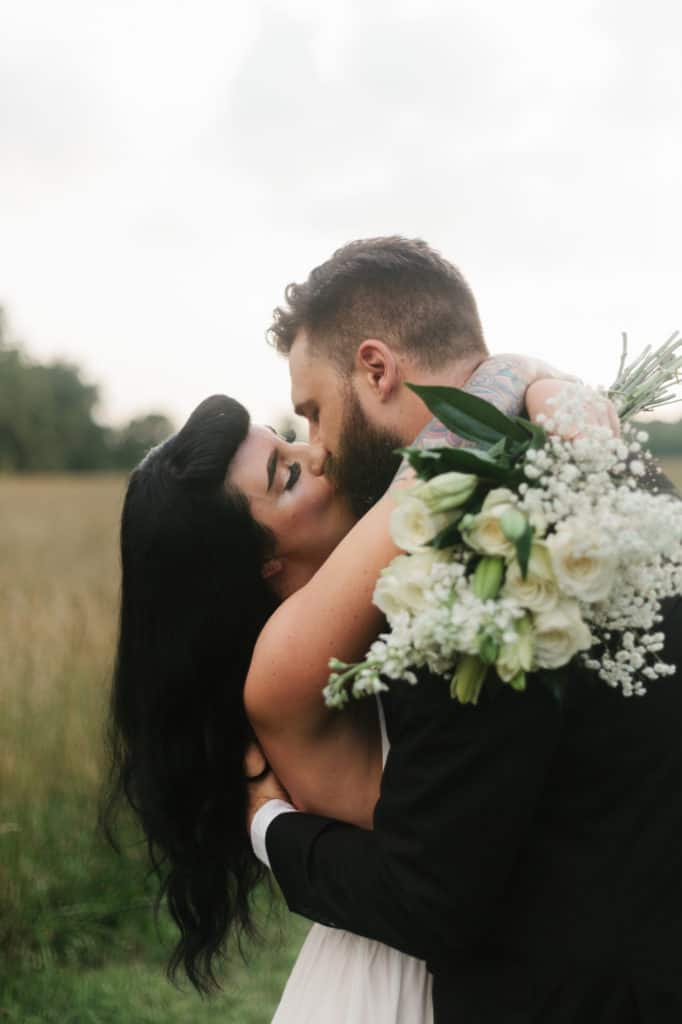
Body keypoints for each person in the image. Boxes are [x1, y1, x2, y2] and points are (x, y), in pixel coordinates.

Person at [246, 237, 682, 1023]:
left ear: (376, 369)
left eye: (313, 411)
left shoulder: (456, 560)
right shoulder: (624, 471)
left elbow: (429, 895)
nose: (319, 448)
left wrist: (267, 828)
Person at [104, 349, 561, 1016]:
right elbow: (432, 474)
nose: (314, 456)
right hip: (398, 984)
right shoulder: (288, 656)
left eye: (291, 439)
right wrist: (524, 372)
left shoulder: (360, 610)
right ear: (258, 561)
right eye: (284, 474)